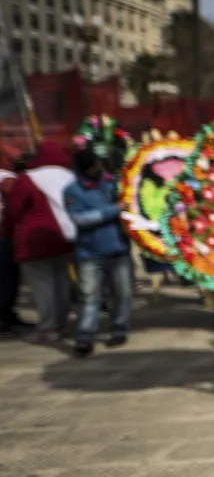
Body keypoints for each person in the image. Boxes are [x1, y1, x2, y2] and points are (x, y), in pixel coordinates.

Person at [0, 141, 75, 342]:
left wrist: (8, 233)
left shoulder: (29, 179)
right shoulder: (69, 176)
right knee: (61, 281)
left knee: (43, 285)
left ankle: (48, 328)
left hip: (34, 239)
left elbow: (14, 210)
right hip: (63, 236)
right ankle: (61, 324)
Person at [63, 148, 133, 356]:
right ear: (82, 170)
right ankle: (85, 337)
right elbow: (81, 219)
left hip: (118, 248)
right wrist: (114, 209)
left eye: (98, 165)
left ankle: (120, 328)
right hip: (89, 253)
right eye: (91, 168)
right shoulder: (72, 191)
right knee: (89, 296)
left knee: (123, 293)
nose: (96, 170)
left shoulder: (114, 182)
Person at [0, 160, 34, 338]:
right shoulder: (7, 178)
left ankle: (8, 315)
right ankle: (4, 318)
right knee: (7, 278)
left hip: (6, 234)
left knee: (9, 278)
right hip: (4, 235)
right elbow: (17, 204)